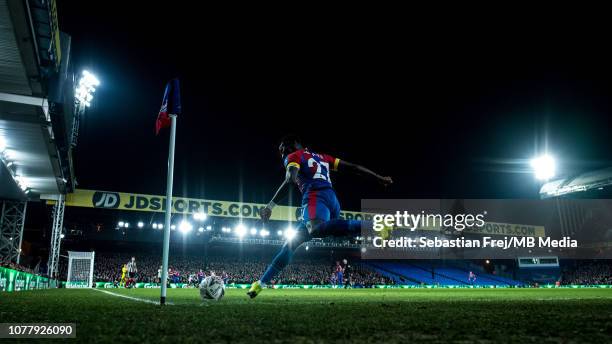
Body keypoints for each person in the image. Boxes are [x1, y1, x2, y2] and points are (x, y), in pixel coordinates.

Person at [247, 135, 392, 298]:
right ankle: (260, 284)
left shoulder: (293, 156)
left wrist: (270, 206)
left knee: (315, 229)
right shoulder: (323, 157)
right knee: (291, 244)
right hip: (331, 201)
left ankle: (375, 225)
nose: (282, 153)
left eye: (283, 148)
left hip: (315, 197)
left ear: (294, 146)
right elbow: (354, 168)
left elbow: (290, 180)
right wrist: (379, 178)